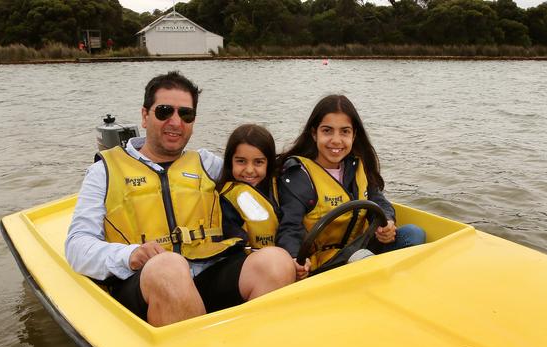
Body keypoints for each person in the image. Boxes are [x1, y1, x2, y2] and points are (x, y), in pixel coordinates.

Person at [65, 71, 295, 326]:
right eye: (164, 111)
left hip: (208, 273)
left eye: (186, 114)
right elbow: (77, 246)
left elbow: (266, 178)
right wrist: (130, 255)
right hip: (144, 282)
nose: (176, 122)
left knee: (277, 262)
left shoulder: (208, 164)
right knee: (170, 268)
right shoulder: (104, 172)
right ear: (145, 115)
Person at [276, 94, 426, 279]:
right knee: (363, 260)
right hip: (322, 264)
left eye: (344, 132)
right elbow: (290, 226)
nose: (336, 140)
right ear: (314, 134)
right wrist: (294, 257)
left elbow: (378, 200)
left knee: (414, 234)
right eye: (327, 131)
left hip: (359, 248)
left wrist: (387, 222)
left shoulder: (357, 166)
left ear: (354, 135)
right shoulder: (298, 175)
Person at [217, 124, 281, 253]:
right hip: (247, 263)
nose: (249, 170)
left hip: (284, 257)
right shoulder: (224, 201)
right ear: (230, 162)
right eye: (241, 161)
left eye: (258, 162)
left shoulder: (282, 189)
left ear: (269, 163)